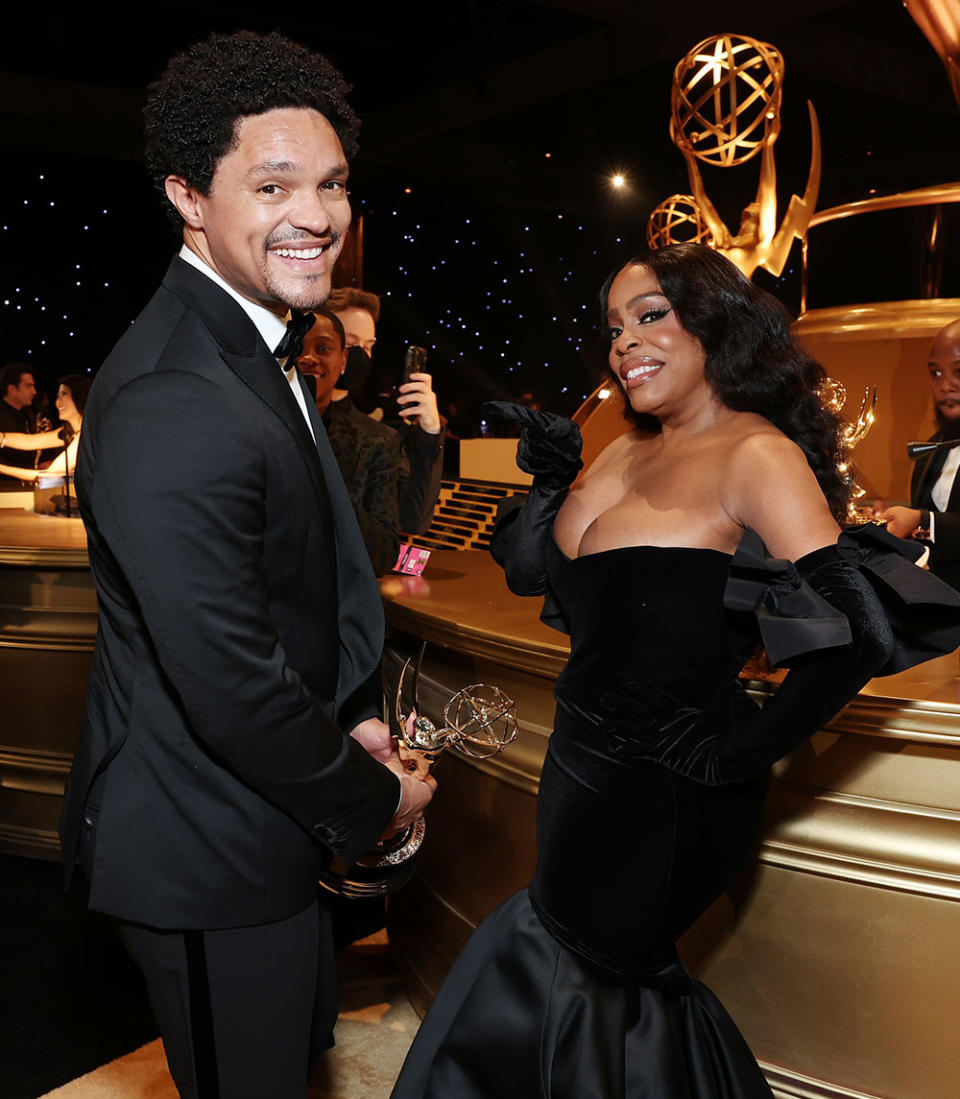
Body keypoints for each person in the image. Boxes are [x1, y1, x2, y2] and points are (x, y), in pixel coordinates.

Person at [391, 243, 960, 1098]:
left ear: (714, 325)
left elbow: (861, 634)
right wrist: (551, 477)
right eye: (614, 327)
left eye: (650, 315)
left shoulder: (756, 454)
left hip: (667, 795)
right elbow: (544, 575)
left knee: (592, 976)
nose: (625, 343)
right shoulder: (623, 449)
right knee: (582, 973)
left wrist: (738, 753)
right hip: (581, 765)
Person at [58, 30, 435, 1099]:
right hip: (206, 853)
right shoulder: (180, 386)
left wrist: (349, 714)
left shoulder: (253, 344)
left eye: (331, 184)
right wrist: (372, 797)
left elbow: (285, 594)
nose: (315, 216)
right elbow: (228, 679)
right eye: (272, 185)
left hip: (260, 825)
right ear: (187, 194)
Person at [327, 286, 444, 533]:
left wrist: (431, 434)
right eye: (350, 342)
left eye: (368, 346)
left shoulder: (375, 437)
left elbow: (414, 519)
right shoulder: (280, 418)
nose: (360, 355)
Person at [299, 308, 402, 576]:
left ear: (343, 360)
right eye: (297, 347)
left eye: (323, 348)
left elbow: (384, 553)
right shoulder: (248, 429)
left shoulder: (376, 441)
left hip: (334, 604)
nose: (309, 358)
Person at [875, 319, 960, 590]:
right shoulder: (931, 449)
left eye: (959, 371)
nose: (945, 385)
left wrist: (921, 521)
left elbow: (930, 520)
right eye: (936, 373)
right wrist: (894, 518)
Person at [0, 374, 90, 482]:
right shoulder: (68, 432)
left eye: (64, 394)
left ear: (80, 396)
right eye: (58, 396)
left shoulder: (84, 437)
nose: (58, 402)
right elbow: (30, 441)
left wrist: (2, 468)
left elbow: (49, 476)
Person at [0, 362, 38, 478]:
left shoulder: (30, 416)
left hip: (28, 482)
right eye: (28, 386)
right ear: (12, 389)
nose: (34, 391)